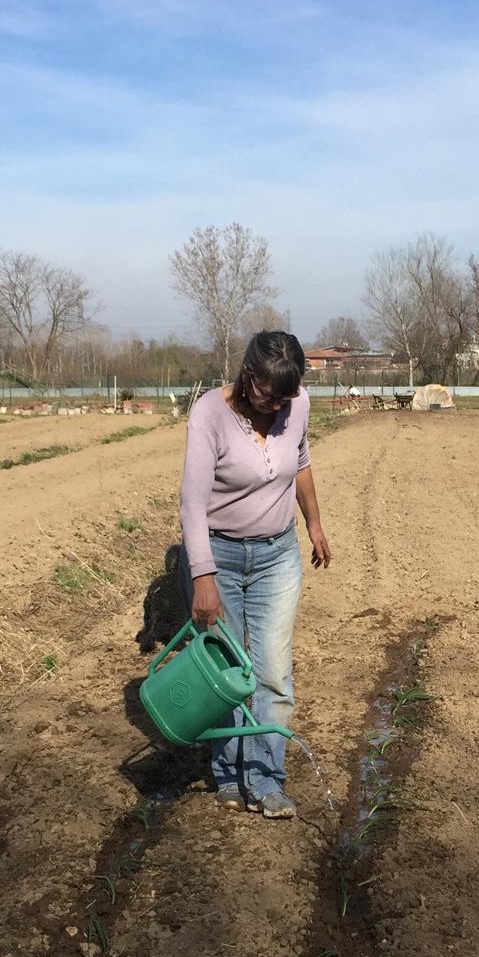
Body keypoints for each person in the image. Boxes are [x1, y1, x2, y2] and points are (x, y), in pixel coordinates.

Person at [177, 331, 331, 819]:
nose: (277, 406)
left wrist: (314, 522)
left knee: (272, 673)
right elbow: (192, 505)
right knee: (228, 671)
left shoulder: (296, 403)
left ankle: (266, 781)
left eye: (286, 396)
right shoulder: (209, 414)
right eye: (269, 395)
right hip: (219, 555)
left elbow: (301, 462)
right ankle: (226, 774)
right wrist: (203, 577)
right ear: (248, 378)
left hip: (277, 555)